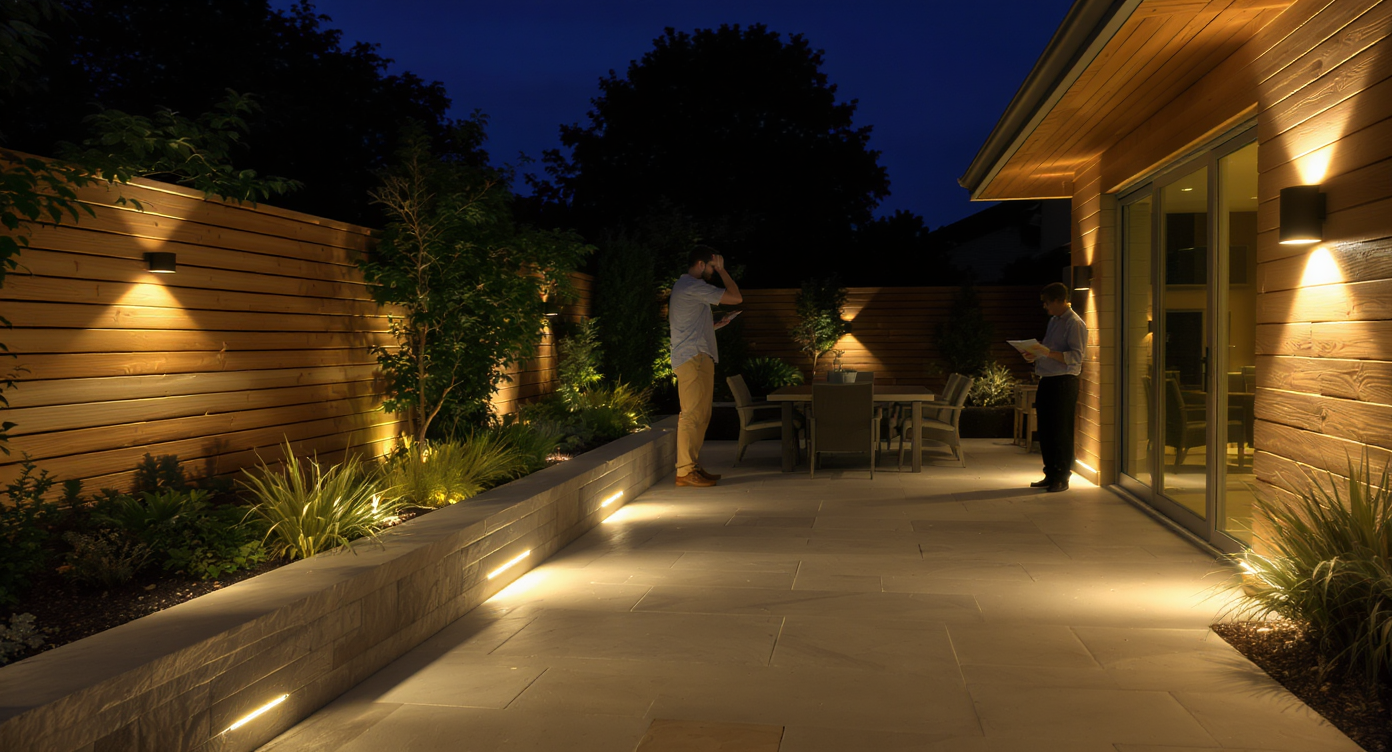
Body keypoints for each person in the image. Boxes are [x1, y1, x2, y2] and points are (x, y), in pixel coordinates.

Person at [669, 245, 742, 487]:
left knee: (701, 415)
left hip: (698, 355)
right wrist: (723, 271)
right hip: (692, 358)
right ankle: (684, 471)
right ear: (701, 264)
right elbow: (735, 297)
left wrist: (715, 326)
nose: (713, 270)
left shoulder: (688, 288)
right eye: (712, 266)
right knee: (691, 415)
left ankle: (692, 466)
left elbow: (690, 324)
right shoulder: (691, 285)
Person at [1021, 281, 1086, 492]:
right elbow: (1048, 349)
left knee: (1061, 430)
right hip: (1047, 379)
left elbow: (1076, 356)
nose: (1045, 306)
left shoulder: (1074, 324)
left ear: (1060, 300)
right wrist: (1035, 353)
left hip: (1064, 381)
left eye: (1047, 302)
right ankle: (1050, 473)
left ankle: (1062, 476)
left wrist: (1047, 353)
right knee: (1046, 429)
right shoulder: (1054, 321)